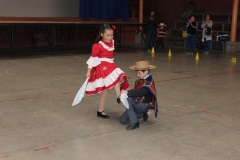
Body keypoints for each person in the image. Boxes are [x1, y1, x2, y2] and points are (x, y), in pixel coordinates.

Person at [85, 24, 129, 119]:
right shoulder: (97, 46)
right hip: (103, 66)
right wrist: (89, 70)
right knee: (116, 73)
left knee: (106, 89)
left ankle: (100, 110)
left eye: (111, 35)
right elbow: (93, 58)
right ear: (102, 34)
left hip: (110, 64)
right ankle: (119, 95)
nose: (110, 37)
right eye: (107, 35)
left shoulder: (112, 42)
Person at [119, 61, 158, 131]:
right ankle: (142, 114)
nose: (138, 75)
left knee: (128, 100)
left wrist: (128, 92)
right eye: (137, 73)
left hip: (144, 105)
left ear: (146, 72)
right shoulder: (138, 81)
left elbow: (140, 92)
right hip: (137, 103)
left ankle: (135, 123)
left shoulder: (149, 82)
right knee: (122, 120)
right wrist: (130, 90)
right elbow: (136, 91)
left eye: (139, 73)